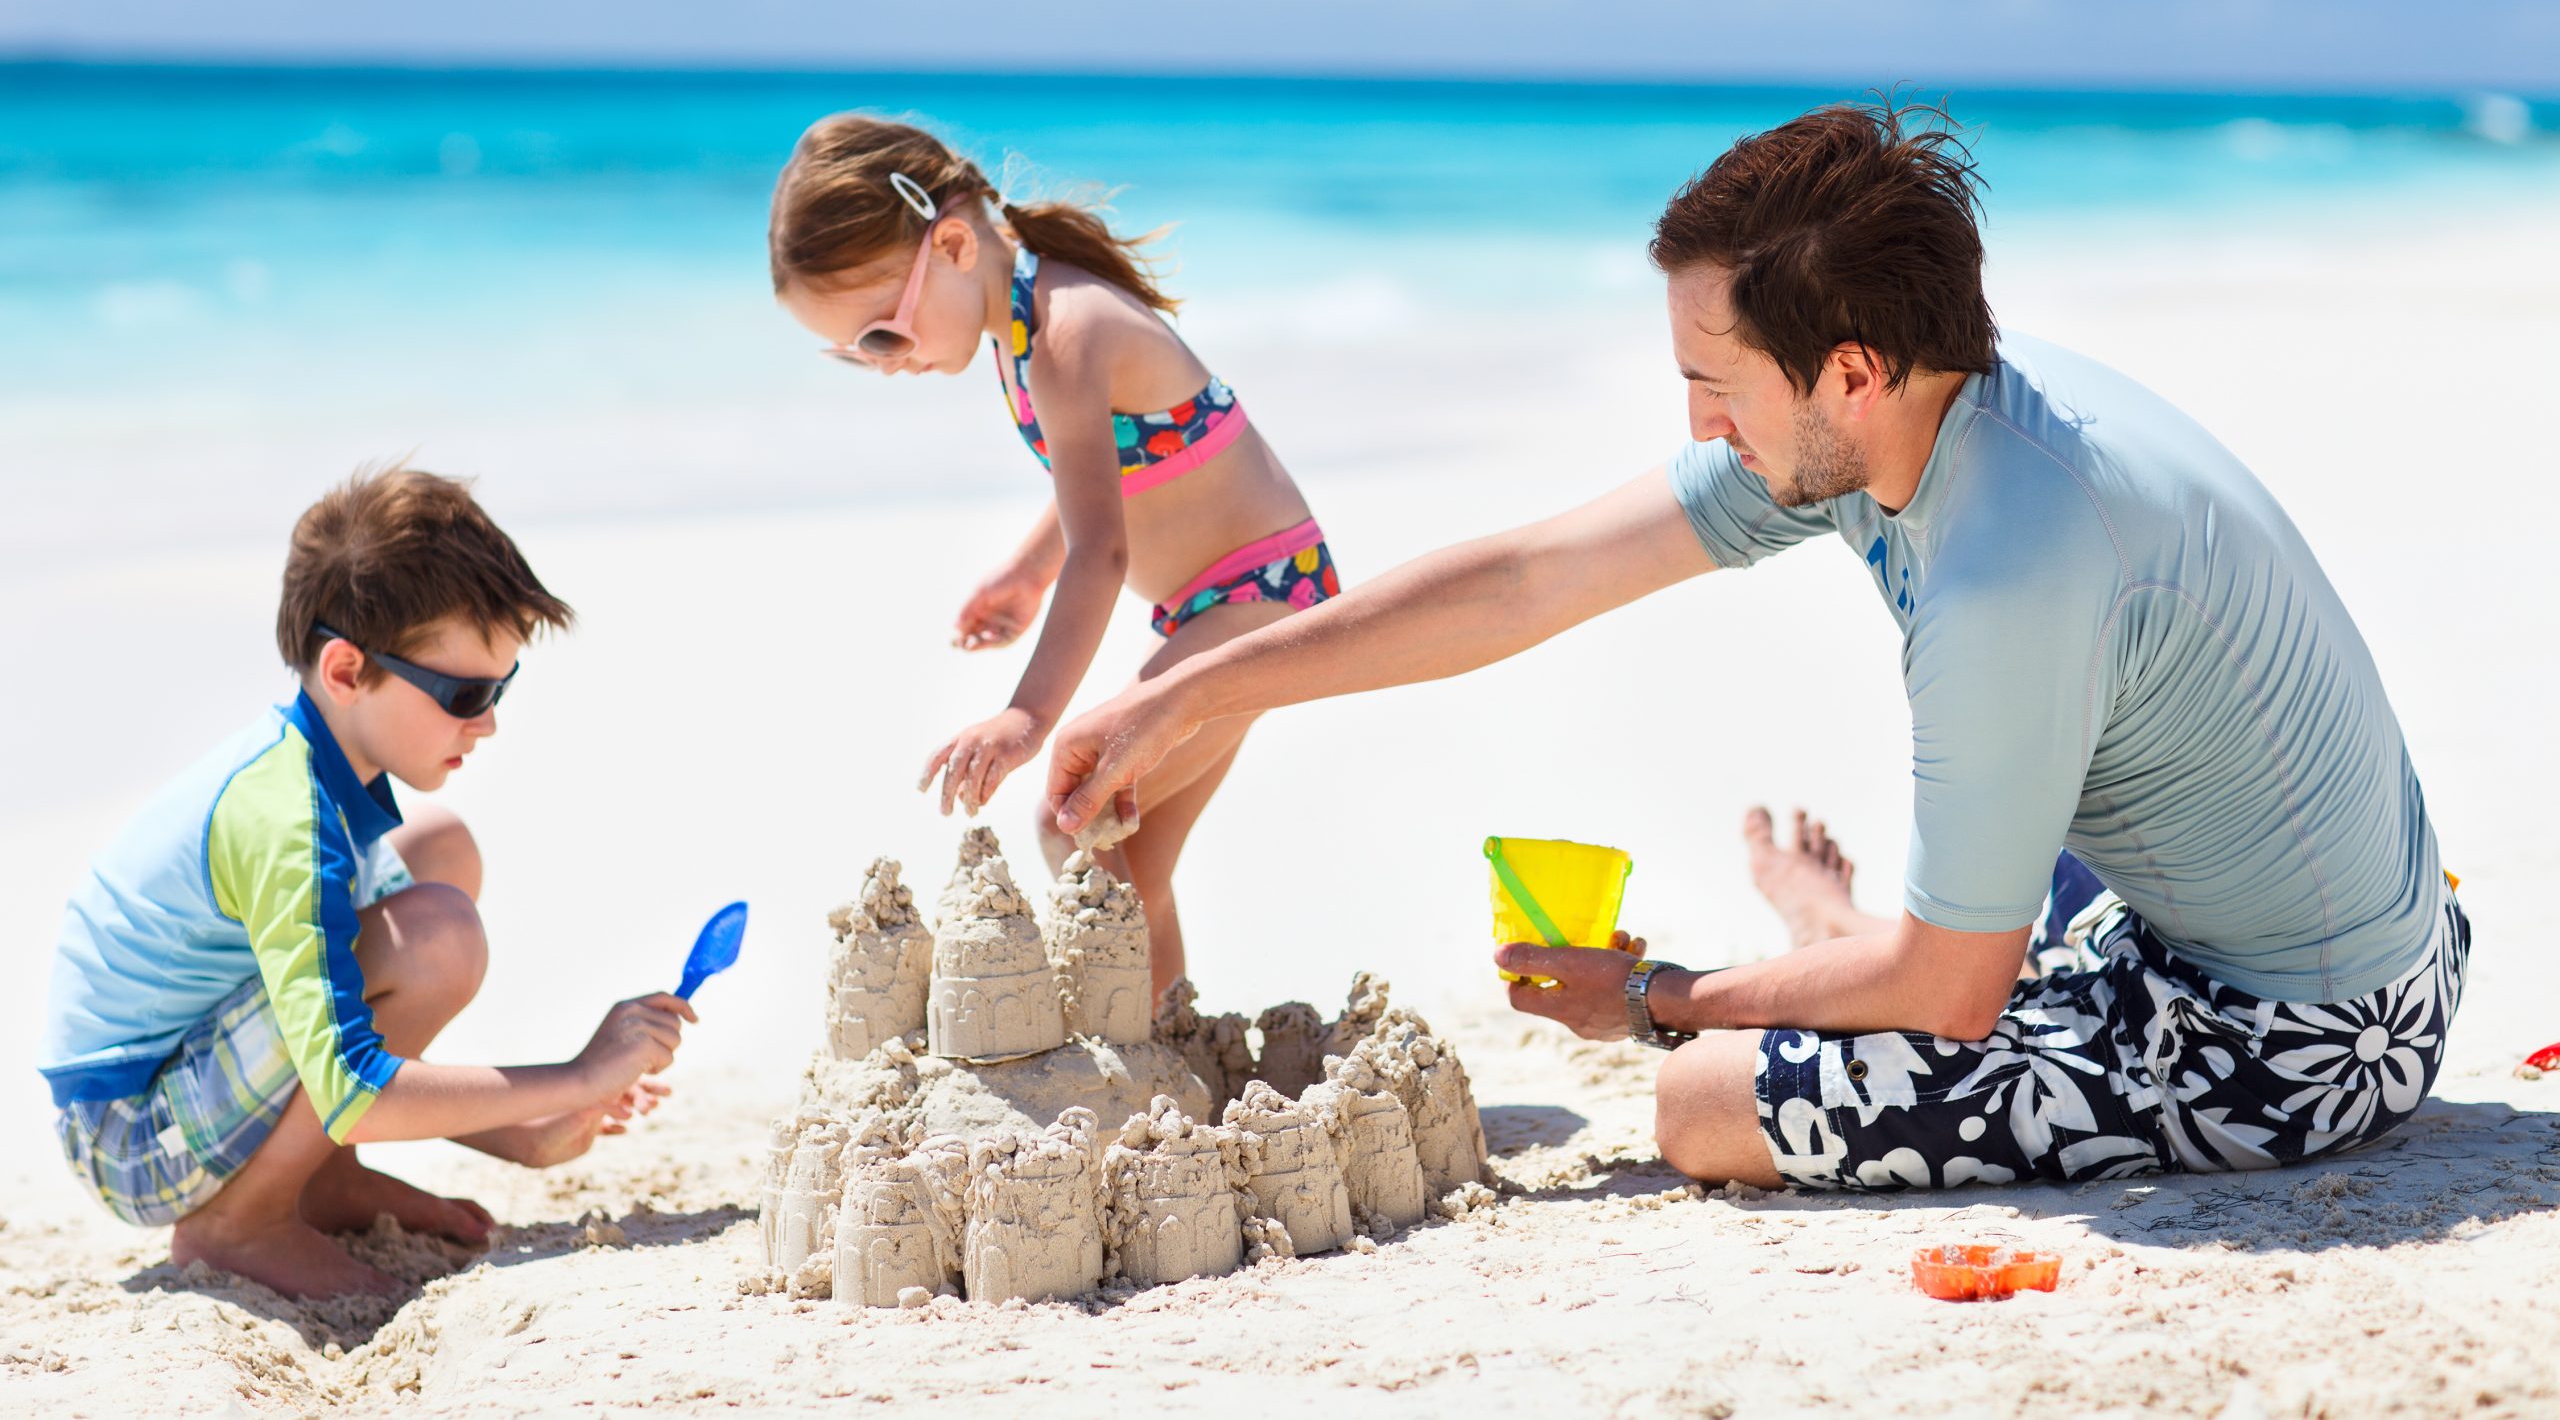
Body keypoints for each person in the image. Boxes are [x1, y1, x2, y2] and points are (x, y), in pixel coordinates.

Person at [1044, 101, 2468, 1192]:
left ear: (1847, 366)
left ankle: (1855, 945)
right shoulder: (1912, 407)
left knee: (1703, 1103)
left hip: (2298, 1037)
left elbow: (1951, 999)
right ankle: (1861, 941)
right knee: (1918, 959)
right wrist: (1201, 684)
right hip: (2257, 912)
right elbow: (1533, 577)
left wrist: (1651, 996)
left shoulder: (2007, 566)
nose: (1697, 430)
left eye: (1715, 387)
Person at [38, 467, 694, 1297]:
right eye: (465, 692)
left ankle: (322, 1176)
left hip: (189, 1076)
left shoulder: (320, 765)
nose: (488, 721)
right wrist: (576, 1077)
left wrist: (520, 1131)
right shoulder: (288, 818)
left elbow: (344, 1028)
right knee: (437, 936)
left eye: (502, 686)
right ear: (346, 670)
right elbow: (350, 1081)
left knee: (441, 851)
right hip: (130, 1133)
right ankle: (240, 1221)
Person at [768, 115, 1340, 991]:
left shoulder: (1067, 336)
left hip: (1262, 595)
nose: (881, 364)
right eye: (854, 354)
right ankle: (1169, 1044)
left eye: (881, 334)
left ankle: (1143, 1041)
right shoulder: (1022, 325)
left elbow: (1102, 552)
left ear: (954, 244)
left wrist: (1028, 717)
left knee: (1072, 811)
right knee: (1132, 855)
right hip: (1228, 598)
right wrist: (1030, 569)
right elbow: (1108, 479)